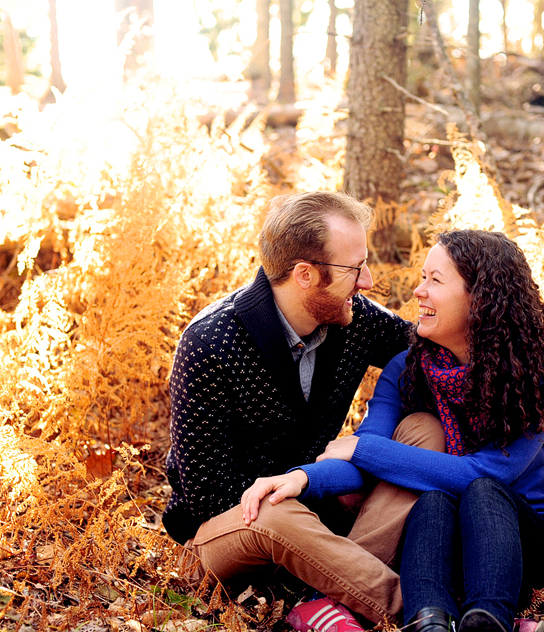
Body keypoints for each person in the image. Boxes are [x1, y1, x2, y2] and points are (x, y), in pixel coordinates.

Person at [163, 191, 448, 629]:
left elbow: (431, 353)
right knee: (274, 507)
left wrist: (516, 344)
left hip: (314, 510)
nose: (368, 281)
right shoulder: (211, 345)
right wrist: (303, 488)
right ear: (305, 275)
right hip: (227, 534)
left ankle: (324, 598)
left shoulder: (355, 320)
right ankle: (424, 612)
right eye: (354, 269)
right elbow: (205, 496)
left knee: (423, 429)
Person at [300, 229, 544, 632]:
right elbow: (362, 458)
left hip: (528, 549)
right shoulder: (407, 369)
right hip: (446, 546)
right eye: (422, 277)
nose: (418, 291)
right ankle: (428, 620)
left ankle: (489, 622)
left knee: (480, 489)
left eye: (435, 280)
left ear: (479, 298)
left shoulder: (538, 381)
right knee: (431, 499)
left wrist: (360, 449)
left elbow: (487, 473)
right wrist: (301, 478)